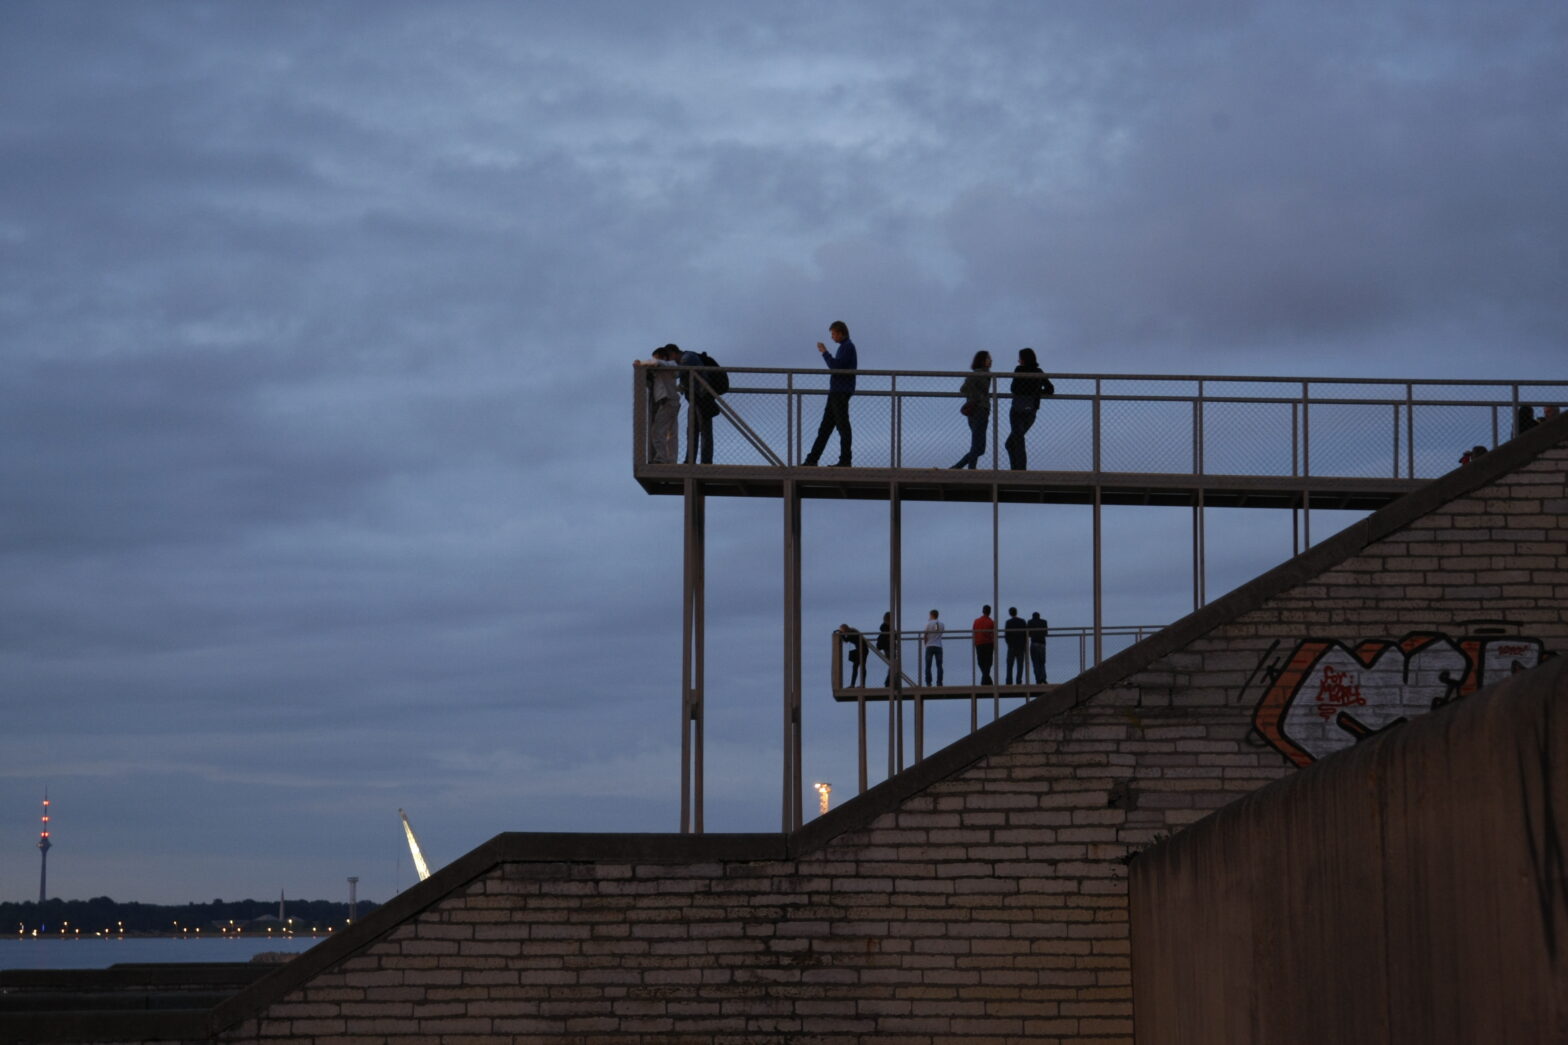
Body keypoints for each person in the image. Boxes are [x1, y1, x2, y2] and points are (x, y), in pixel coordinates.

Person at [803, 321, 856, 467]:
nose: (832, 337)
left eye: (833, 333)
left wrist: (825, 352)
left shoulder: (847, 347)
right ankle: (812, 459)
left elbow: (835, 366)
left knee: (842, 426)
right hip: (837, 392)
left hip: (840, 392)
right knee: (826, 428)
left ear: (840, 333)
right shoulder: (845, 347)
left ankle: (845, 460)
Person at [1004, 348, 1052, 470]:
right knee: (1012, 442)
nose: (1018, 360)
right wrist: (1037, 392)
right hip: (1031, 410)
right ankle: (1017, 470)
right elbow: (1050, 389)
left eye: (1020, 358)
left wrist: (1026, 390)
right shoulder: (1038, 372)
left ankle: (1019, 471)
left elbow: (1014, 388)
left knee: (1016, 441)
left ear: (1024, 359)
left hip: (1017, 409)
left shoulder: (1019, 370)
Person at [635, 344, 682, 463]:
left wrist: (640, 363)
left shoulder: (670, 365)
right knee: (671, 433)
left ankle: (662, 458)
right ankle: (671, 459)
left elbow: (658, 364)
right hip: (671, 402)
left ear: (663, 357)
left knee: (657, 431)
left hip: (668, 402)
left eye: (655, 358)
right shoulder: (663, 370)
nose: (653, 361)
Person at [677, 348, 721, 464]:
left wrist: (659, 366)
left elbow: (677, 373)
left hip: (702, 397)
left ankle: (705, 461)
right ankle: (690, 460)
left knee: (704, 431)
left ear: (673, 353)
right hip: (695, 399)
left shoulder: (687, 358)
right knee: (692, 431)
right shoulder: (687, 358)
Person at [951, 351, 992, 469]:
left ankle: (969, 468)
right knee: (978, 447)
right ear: (982, 360)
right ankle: (959, 468)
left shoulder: (986, 375)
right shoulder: (978, 374)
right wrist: (978, 397)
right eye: (988, 358)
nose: (990, 360)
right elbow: (964, 388)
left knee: (978, 447)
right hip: (978, 410)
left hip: (982, 410)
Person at [972, 604, 996, 685]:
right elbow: (993, 634)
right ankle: (986, 679)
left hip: (979, 643)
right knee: (988, 662)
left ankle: (985, 679)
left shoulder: (976, 621)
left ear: (983, 611)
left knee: (981, 662)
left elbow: (974, 631)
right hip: (988, 644)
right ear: (989, 612)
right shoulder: (991, 622)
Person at [1003, 608, 1028, 684]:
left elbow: (1006, 635)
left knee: (1010, 664)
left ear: (1010, 613)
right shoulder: (1022, 621)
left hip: (1012, 646)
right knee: (1020, 665)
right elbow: (1025, 634)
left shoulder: (1008, 622)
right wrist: (1024, 644)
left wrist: (1009, 644)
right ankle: (1019, 680)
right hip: (1020, 646)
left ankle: (1009, 681)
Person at [921, 609, 944, 686]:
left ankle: (928, 682)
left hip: (929, 646)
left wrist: (925, 644)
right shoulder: (941, 624)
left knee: (928, 665)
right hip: (938, 645)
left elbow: (925, 635)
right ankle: (939, 682)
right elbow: (940, 633)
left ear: (931, 615)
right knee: (939, 665)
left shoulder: (928, 624)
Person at [1027, 611, 1048, 684]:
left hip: (1034, 643)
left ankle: (1038, 679)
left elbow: (1028, 633)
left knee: (1036, 663)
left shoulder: (1030, 622)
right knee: (1042, 662)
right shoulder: (1044, 622)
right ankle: (1043, 678)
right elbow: (1046, 633)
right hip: (1042, 644)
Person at [877, 611, 892, 686]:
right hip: (887, 647)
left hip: (887, 646)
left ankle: (889, 681)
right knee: (893, 664)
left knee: (892, 665)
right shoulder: (887, 627)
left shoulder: (885, 627)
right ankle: (888, 682)